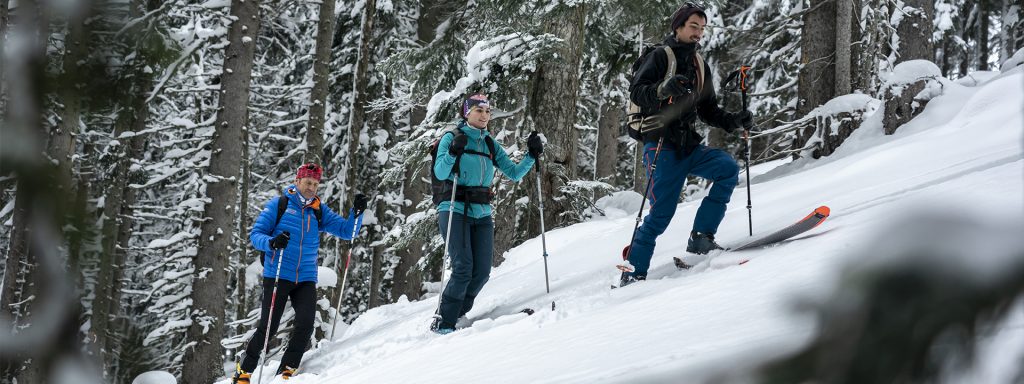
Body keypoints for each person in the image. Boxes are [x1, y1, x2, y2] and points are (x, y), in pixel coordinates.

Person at [620, 3, 754, 287]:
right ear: (678, 27)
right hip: (661, 147)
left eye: (702, 28)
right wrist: (662, 89)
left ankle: (701, 238)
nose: (698, 33)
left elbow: (708, 110)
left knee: (727, 169)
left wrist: (734, 121)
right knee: (660, 215)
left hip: (689, 147)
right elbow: (637, 91)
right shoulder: (659, 57)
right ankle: (633, 273)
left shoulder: (699, 65)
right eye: (694, 26)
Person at [233, 163, 368, 382]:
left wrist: (357, 213)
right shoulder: (280, 204)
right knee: (269, 328)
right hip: (278, 274)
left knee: (305, 324)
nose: (311, 187)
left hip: (305, 277)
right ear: (297, 182)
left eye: (315, 184)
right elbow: (256, 235)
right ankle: (244, 370)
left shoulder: (318, 210)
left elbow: (346, 231)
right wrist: (272, 242)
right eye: (308, 182)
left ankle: (287, 369)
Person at [430, 93, 544, 334]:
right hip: (454, 208)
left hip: (481, 212)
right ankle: (443, 321)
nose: (484, 115)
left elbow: (513, 173)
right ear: (466, 113)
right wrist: (452, 152)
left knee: (481, 272)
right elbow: (440, 173)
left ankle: (458, 311)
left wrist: (531, 156)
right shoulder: (452, 138)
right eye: (478, 110)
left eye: (487, 111)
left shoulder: (489, 143)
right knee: (463, 267)